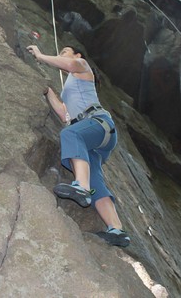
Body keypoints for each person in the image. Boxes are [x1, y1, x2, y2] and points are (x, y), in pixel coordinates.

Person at [26, 44, 130, 247]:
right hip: (95, 139)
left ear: (77, 54)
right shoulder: (69, 90)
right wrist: (47, 91)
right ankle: (117, 230)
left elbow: (71, 64)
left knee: (70, 133)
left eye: (64, 51)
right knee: (96, 183)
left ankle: (81, 187)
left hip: (97, 124)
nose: (61, 55)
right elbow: (63, 113)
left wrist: (41, 55)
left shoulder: (82, 66)